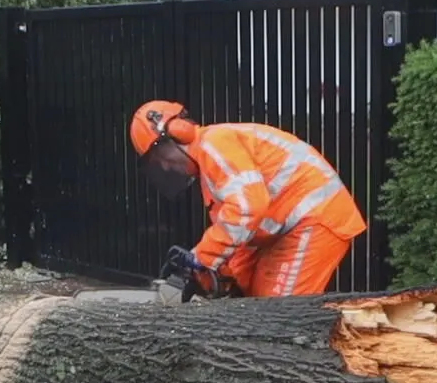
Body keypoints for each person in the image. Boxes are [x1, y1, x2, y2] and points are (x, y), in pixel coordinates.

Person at [129, 100, 366, 298]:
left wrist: (202, 258)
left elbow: (246, 210)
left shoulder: (215, 144)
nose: (165, 165)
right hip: (284, 227)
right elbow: (240, 230)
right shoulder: (210, 170)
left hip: (314, 217)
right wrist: (216, 272)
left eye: (161, 155)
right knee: (248, 292)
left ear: (179, 132)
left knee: (277, 315)